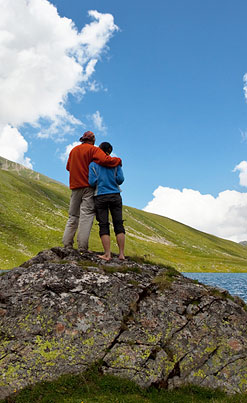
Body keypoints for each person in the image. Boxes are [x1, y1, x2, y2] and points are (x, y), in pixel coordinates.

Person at [63, 131, 122, 252]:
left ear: (82, 139)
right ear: (93, 140)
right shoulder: (94, 150)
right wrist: (118, 160)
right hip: (88, 187)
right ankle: (82, 247)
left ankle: (67, 245)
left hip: (75, 187)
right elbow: (105, 160)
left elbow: (68, 167)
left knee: (73, 216)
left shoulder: (73, 150)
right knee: (87, 215)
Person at [88, 142, 125, 261]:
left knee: (104, 225)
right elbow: (120, 180)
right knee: (118, 223)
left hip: (100, 196)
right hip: (115, 195)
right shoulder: (116, 163)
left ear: (99, 150)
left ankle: (107, 254)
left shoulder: (93, 165)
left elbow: (92, 182)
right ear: (110, 150)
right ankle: (121, 254)